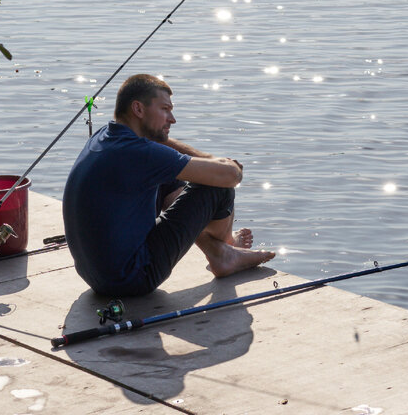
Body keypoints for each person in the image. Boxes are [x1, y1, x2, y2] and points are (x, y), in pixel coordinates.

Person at [62, 73, 275, 297]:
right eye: (165, 109)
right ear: (138, 109)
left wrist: (205, 160)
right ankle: (225, 253)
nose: (172, 118)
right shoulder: (139, 154)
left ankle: (219, 250)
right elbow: (230, 176)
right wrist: (222, 163)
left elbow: (158, 153)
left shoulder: (106, 136)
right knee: (216, 186)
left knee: (168, 177)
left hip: (97, 276)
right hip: (133, 278)